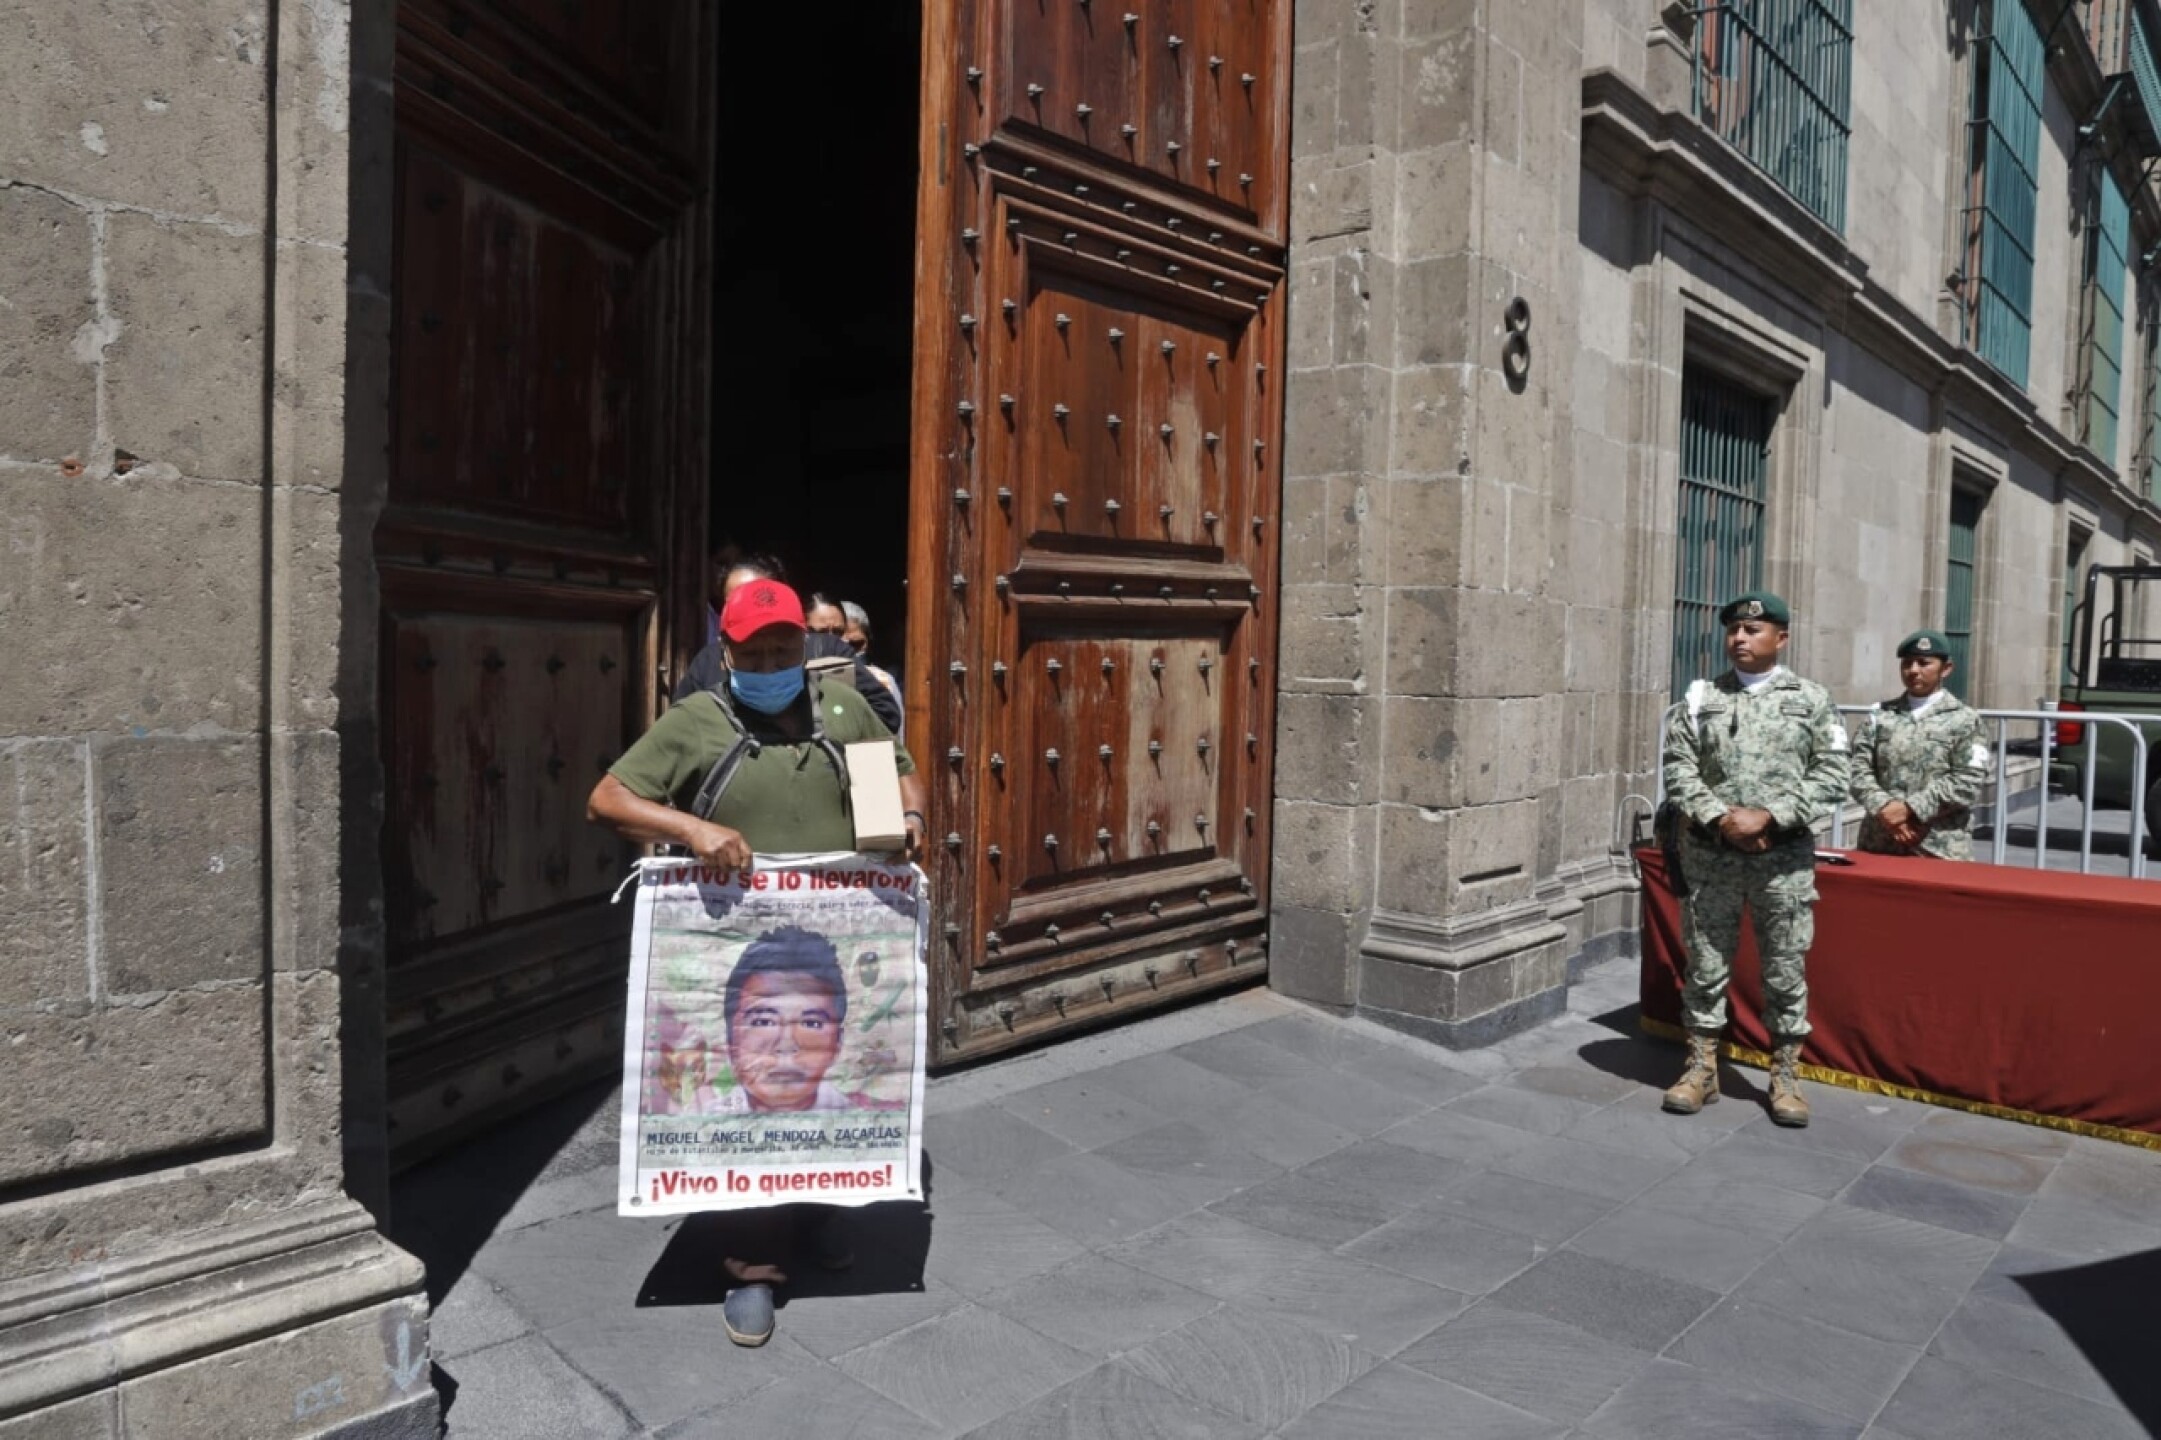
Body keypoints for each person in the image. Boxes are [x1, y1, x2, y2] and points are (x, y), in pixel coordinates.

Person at [588, 578, 926, 1347]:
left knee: (833, 1090)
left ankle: (825, 1214)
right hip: (740, 947)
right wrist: (688, 828)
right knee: (743, 1109)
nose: (773, 658)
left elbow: (895, 772)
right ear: (730, 651)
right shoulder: (697, 722)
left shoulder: (842, 709)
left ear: (802, 645)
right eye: (757, 648)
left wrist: (906, 815)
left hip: (835, 940)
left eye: (785, 645)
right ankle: (752, 1267)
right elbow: (605, 799)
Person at [1659, 591, 1850, 1128]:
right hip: (1710, 857)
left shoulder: (1811, 700)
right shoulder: (1699, 699)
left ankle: (1786, 1074)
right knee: (1705, 966)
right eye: (1734, 630)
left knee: (1785, 970)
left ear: (1780, 639)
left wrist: (1768, 816)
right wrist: (1724, 819)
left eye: (1754, 630)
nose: (1740, 638)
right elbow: (1678, 768)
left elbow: (1833, 774)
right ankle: (1701, 1069)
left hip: (1781, 862)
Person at [677, 571, 903, 734]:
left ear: (804, 640)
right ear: (726, 650)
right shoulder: (706, 669)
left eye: (782, 650)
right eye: (751, 653)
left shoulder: (830, 655)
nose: (768, 667)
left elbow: (885, 716)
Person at [717, 927, 901, 1114]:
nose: (786, 1045)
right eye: (763, 1022)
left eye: (811, 1023)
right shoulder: (700, 1122)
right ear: (730, 1039)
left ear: (837, 1043)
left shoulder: (868, 1117)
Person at [1850, 630, 1991, 860]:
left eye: (1924, 663)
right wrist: (1885, 808)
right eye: (1907, 663)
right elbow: (1857, 770)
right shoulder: (1881, 715)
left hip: (1939, 846)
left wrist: (1909, 809)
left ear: (1946, 669)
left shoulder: (1965, 720)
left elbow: (1968, 781)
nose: (1913, 670)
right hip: (1880, 841)